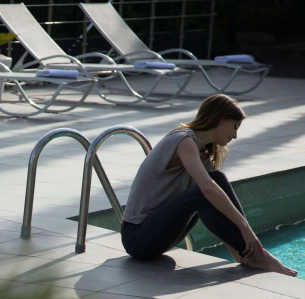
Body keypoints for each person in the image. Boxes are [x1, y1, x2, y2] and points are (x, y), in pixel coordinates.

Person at [121, 94, 297, 277]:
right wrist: (246, 229)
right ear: (220, 119)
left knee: (217, 179)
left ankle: (247, 254)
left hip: (157, 235)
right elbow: (207, 190)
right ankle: (258, 255)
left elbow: (216, 203)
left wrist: (237, 253)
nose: (235, 135)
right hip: (137, 238)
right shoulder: (183, 139)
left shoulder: (203, 154)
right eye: (235, 127)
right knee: (205, 190)